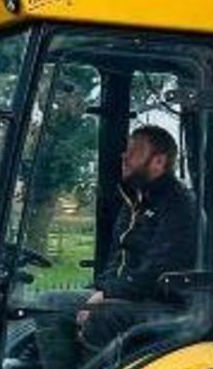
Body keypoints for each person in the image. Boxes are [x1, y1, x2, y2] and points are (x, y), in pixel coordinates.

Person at [77, 124, 198, 352]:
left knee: (100, 317)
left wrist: (107, 294)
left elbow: (157, 271)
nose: (125, 156)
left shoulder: (180, 206)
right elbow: (118, 259)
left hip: (166, 304)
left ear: (159, 162)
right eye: (126, 150)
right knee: (50, 305)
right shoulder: (135, 201)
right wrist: (100, 288)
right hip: (131, 296)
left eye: (135, 151)